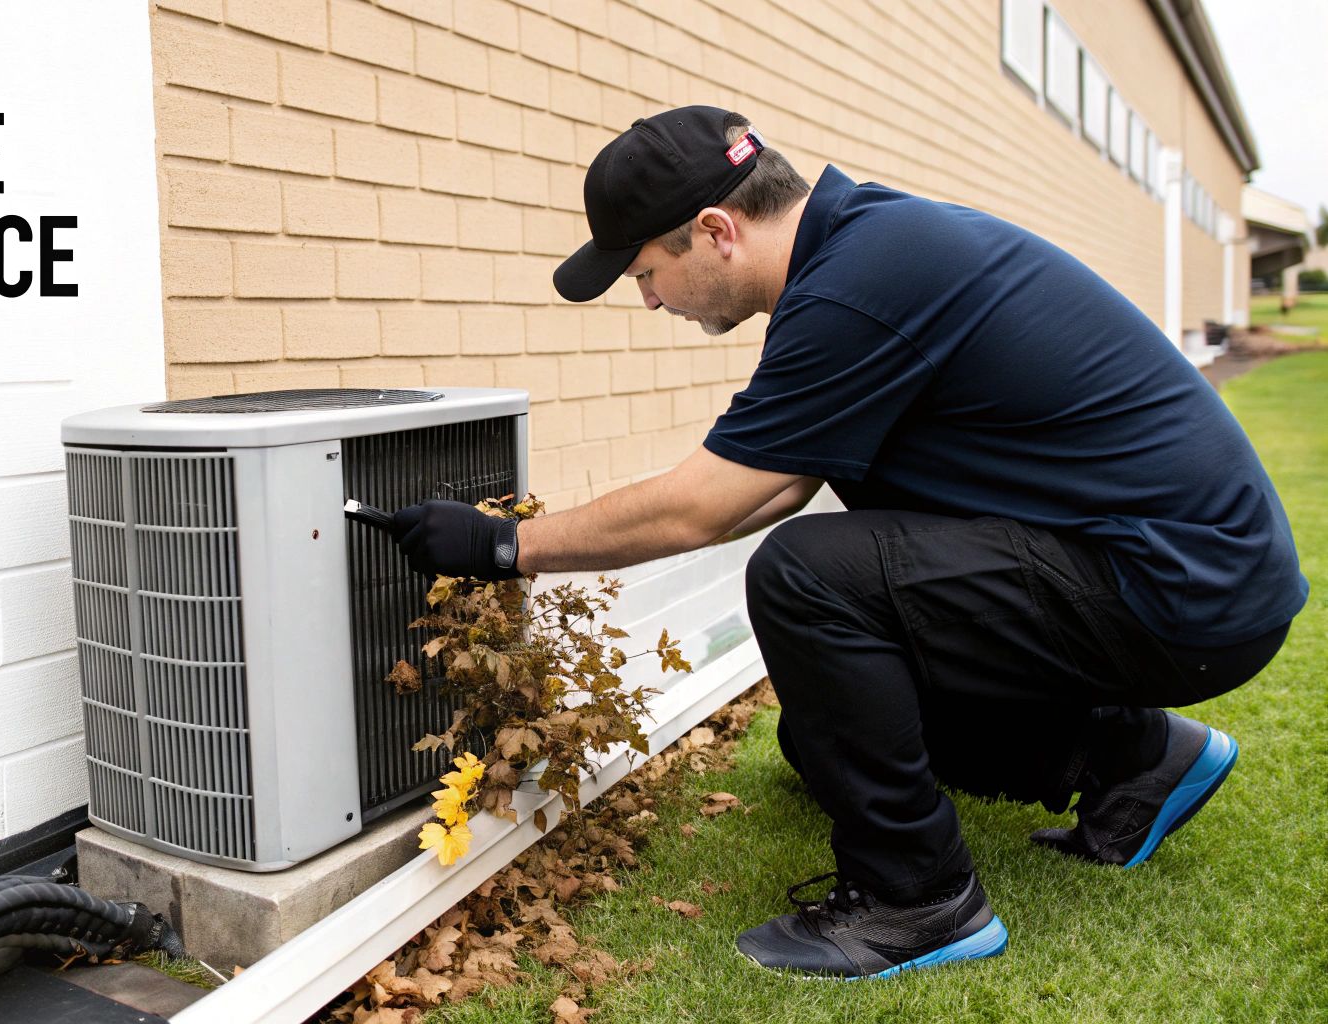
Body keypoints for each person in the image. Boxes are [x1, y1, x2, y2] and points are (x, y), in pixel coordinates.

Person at [388, 106, 1305, 980]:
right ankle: (1133, 759)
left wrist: (504, 546)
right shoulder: (866, 250)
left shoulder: (859, 289)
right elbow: (775, 486)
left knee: (804, 576)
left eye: (644, 275)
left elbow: (705, 509)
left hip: (1180, 591)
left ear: (713, 230)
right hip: (1179, 572)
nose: (652, 302)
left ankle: (918, 901)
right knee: (818, 741)